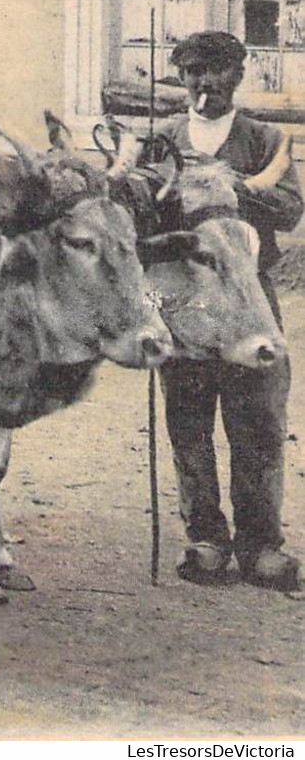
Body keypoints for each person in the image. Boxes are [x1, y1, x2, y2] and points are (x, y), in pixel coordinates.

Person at [157, 30, 302, 592]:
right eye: (193, 72)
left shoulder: (265, 140)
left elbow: (290, 211)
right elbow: (141, 215)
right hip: (189, 304)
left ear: (238, 75)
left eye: (216, 70)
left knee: (259, 421)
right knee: (189, 420)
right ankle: (206, 539)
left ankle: (262, 545)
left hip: (250, 302)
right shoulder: (162, 139)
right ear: (182, 78)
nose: (204, 83)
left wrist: (234, 188)